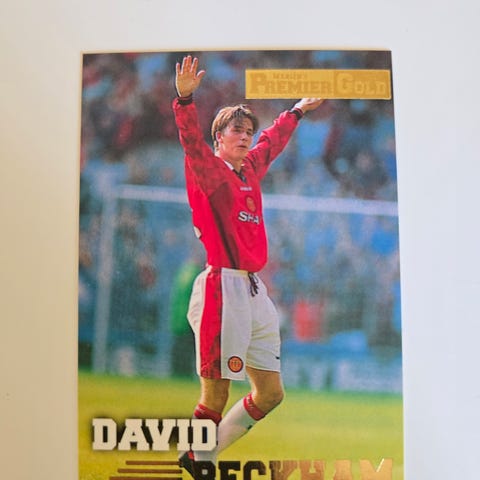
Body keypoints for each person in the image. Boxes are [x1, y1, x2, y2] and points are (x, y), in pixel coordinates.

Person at [172, 55, 323, 475]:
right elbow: (189, 140)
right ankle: (199, 461)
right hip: (222, 288)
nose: (244, 137)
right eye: (236, 130)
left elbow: (272, 142)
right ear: (218, 138)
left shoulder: (249, 169)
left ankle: (198, 454)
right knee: (215, 395)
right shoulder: (208, 170)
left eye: (247, 131)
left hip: (254, 290)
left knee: (271, 393)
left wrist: (297, 111)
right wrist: (184, 100)